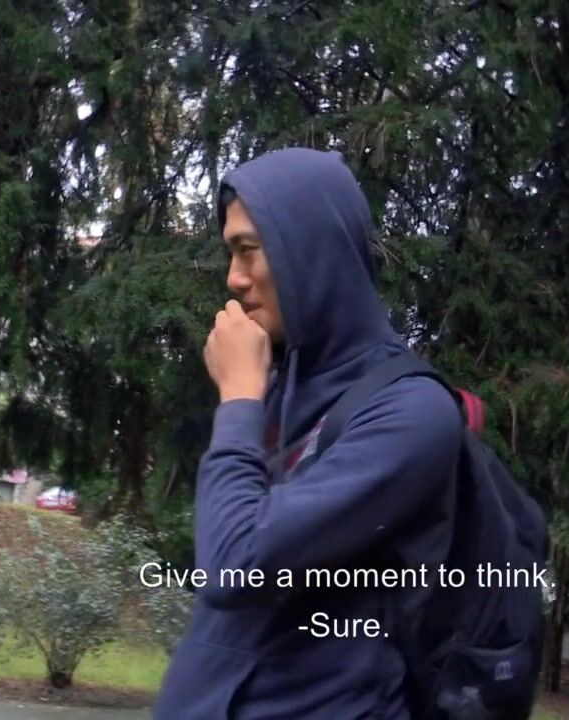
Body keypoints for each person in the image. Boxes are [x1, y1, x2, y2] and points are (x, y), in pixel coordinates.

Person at [152, 147, 463, 719]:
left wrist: (238, 396)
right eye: (229, 253)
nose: (233, 278)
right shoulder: (280, 384)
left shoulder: (413, 413)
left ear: (311, 248)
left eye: (249, 250)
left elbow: (234, 568)